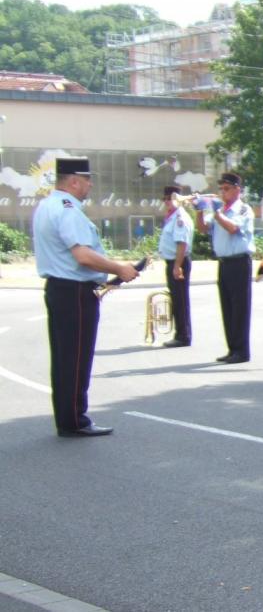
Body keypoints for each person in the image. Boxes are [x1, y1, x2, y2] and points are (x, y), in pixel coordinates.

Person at [33, 157, 140, 437]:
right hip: (75, 293)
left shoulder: (47, 205)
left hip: (59, 289)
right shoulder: (69, 209)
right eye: (87, 179)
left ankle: (67, 418)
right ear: (73, 181)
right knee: (77, 358)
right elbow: (82, 255)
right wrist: (119, 268)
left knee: (64, 357)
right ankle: (75, 420)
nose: (90, 184)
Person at [195, 172, 254, 364]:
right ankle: (232, 348)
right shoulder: (220, 211)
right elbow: (203, 229)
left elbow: (233, 229)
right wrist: (199, 211)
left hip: (239, 262)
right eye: (221, 189)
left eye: (226, 189)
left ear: (237, 189)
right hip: (224, 263)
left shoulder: (243, 209)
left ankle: (242, 351)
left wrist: (217, 212)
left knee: (240, 308)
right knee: (227, 307)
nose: (223, 192)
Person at [158, 186, 193, 348]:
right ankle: (180, 333)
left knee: (180, 299)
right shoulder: (171, 217)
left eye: (170, 198)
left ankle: (183, 335)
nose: (166, 202)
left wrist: (177, 266)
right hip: (173, 261)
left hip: (178, 262)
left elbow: (181, 244)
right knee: (177, 298)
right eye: (164, 198)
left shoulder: (179, 217)